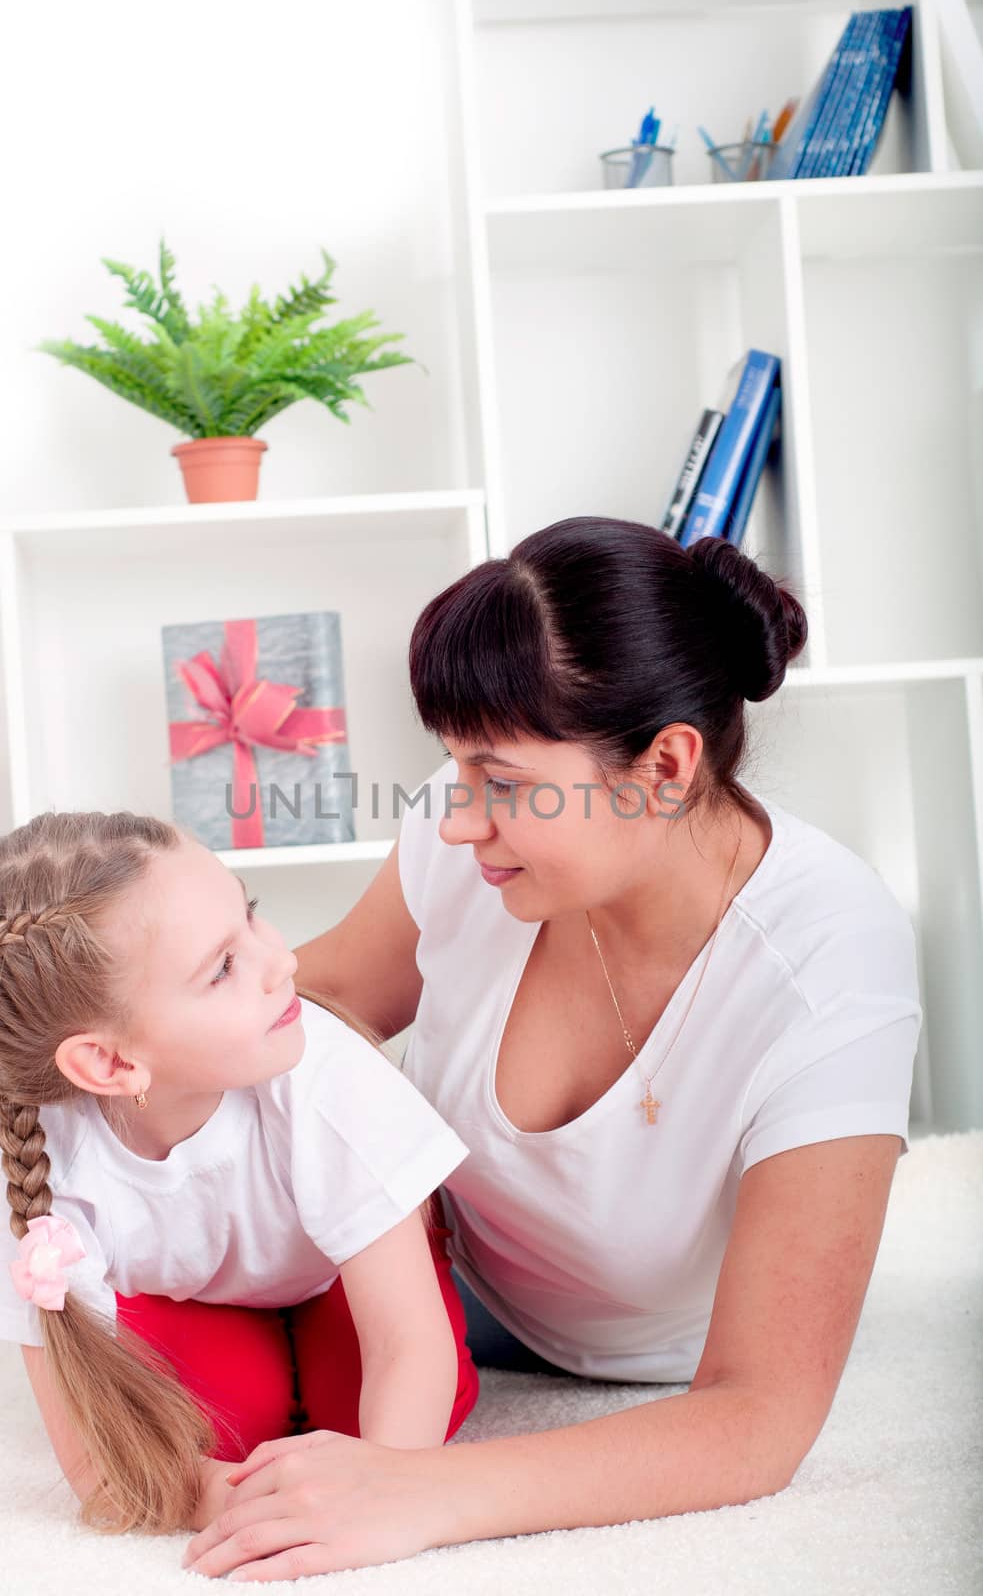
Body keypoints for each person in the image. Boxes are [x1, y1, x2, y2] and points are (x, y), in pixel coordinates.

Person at [182, 517, 923, 1583]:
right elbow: (331, 996)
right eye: (452, 768)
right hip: (428, 1285)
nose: (453, 819)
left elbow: (759, 1417)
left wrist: (424, 1494)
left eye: (504, 780)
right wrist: (146, 1049)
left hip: (645, 1368)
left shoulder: (828, 956)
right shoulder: (476, 846)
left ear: (664, 765)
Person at [0, 812, 480, 1537]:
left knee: (398, 1410)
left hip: (342, 1287)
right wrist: (208, 1496)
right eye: (223, 967)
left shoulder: (322, 1074)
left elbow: (406, 1345)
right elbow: (95, 1455)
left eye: (250, 915)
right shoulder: (34, 1159)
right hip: (196, 1299)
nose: (282, 960)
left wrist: (373, 1501)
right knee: (209, 1435)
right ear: (108, 1063)